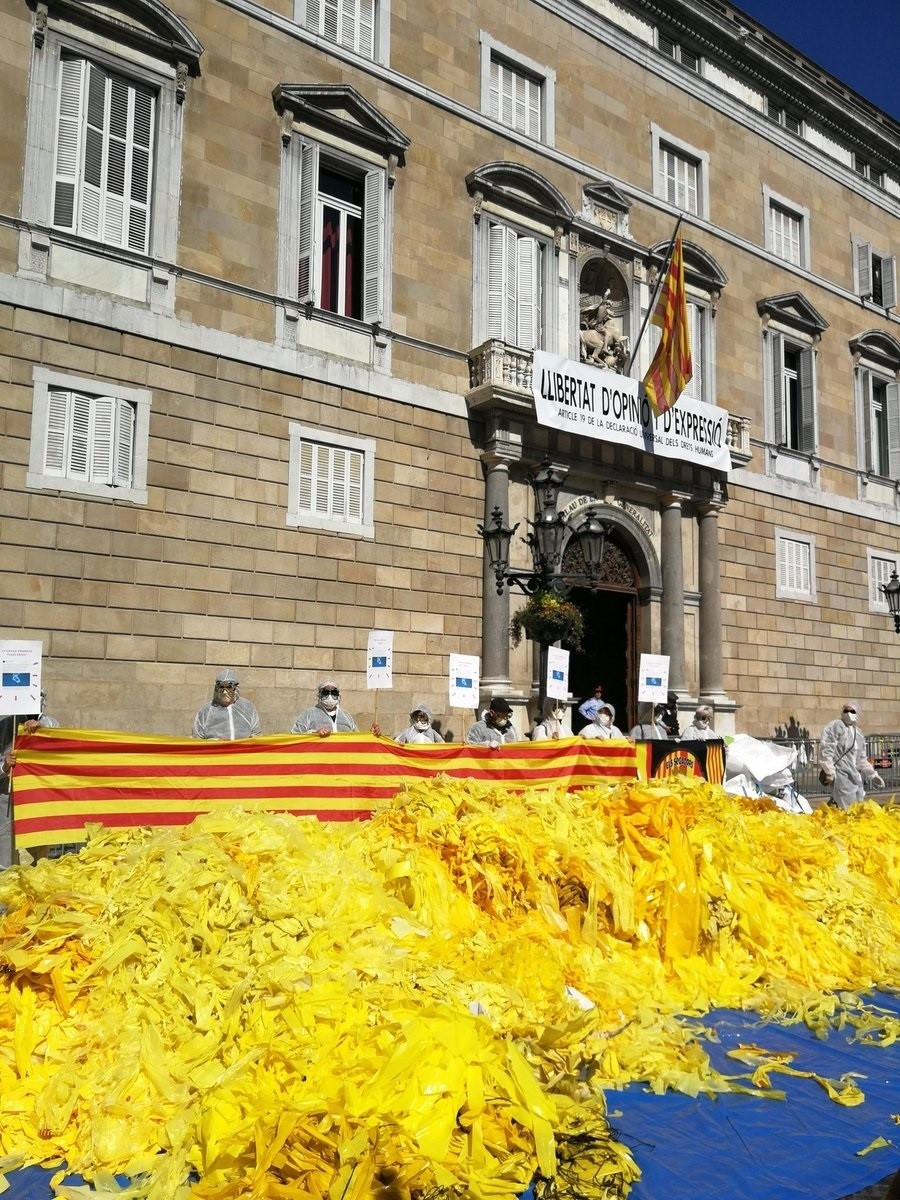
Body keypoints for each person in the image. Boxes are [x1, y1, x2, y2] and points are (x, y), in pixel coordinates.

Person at [1, 691, 60, 869]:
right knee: (5, 850)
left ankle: (33, 891)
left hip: (38, 797)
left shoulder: (51, 724)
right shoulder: (4, 725)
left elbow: (58, 751)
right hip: (7, 796)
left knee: (38, 851)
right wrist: (4, 766)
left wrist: (40, 730)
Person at [818, 700, 884, 809]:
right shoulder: (836, 726)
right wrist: (829, 771)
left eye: (852, 711)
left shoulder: (858, 733)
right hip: (841, 775)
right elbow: (827, 749)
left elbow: (861, 759)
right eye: (846, 710)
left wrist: (873, 774)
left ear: (857, 713)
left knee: (858, 806)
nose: (848, 713)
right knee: (847, 808)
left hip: (856, 776)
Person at [192, 669, 260, 740]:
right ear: (216, 688)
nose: (224, 692)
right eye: (221, 687)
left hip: (242, 750)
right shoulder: (206, 711)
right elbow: (197, 739)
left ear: (236, 688)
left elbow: (257, 735)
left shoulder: (248, 707)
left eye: (229, 687)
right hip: (216, 751)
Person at [291, 680, 359, 736]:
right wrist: (314, 734)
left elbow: (357, 737)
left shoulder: (346, 715)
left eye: (334, 692)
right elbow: (294, 735)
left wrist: (369, 736)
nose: (330, 695)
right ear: (319, 695)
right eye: (325, 692)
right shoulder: (309, 714)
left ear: (338, 695)